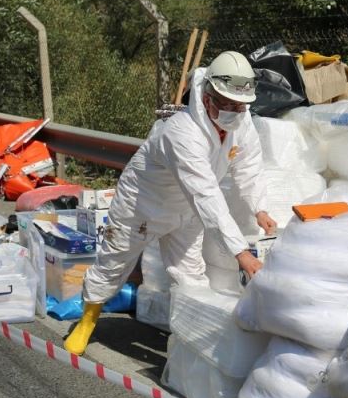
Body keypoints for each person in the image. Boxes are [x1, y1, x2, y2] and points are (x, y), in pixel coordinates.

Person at [63, 51, 277, 356]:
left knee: (191, 275)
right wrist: (241, 254)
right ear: (207, 97)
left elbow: (249, 164)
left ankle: (189, 344)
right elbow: (207, 194)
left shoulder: (240, 121)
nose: (234, 112)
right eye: (226, 105)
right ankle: (87, 321)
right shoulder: (182, 131)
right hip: (144, 204)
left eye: (239, 106)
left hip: (187, 210)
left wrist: (260, 207)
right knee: (115, 262)